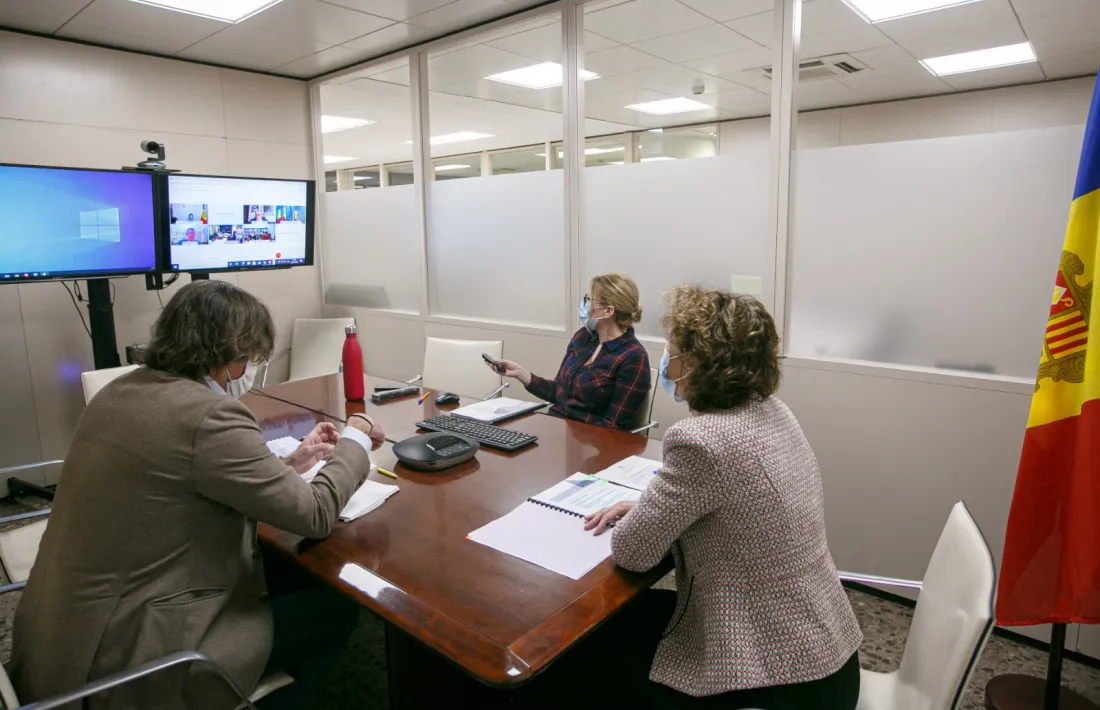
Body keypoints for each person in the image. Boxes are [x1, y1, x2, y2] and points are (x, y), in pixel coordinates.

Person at [10, 280, 385, 710]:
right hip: (130, 659)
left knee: (287, 570)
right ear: (226, 355)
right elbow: (315, 514)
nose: (246, 371)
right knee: (333, 611)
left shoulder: (120, 391)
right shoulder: (209, 416)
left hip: (58, 640)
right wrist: (355, 438)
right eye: (247, 359)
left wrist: (288, 465)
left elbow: (184, 480)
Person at [582, 286, 862, 709]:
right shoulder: (775, 411)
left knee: (589, 659)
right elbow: (737, 507)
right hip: (828, 654)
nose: (666, 358)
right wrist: (652, 508)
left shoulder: (702, 440)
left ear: (695, 363)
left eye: (672, 349)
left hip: (773, 684)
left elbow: (632, 552)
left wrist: (648, 515)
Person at [489, 273, 651, 430]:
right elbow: (558, 392)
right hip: (557, 427)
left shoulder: (633, 357)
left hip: (590, 440)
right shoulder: (583, 337)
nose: (586, 305)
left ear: (608, 311)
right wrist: (522, 374)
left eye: (590, 300)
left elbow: (613, 427)